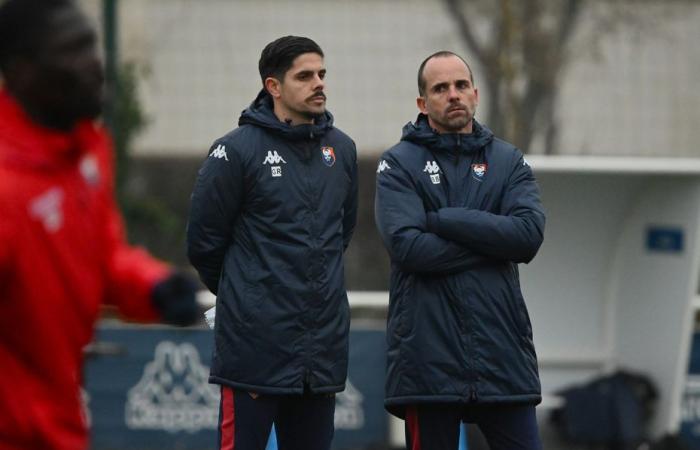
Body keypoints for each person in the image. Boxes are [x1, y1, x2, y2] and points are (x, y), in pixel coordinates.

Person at [0, 0, 200, 449]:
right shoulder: (6, 186)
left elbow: (101, 256)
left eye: (91, 44)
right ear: (22, 72)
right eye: (72, 50)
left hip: (59, 425)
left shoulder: (86, 154)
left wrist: (151, 286)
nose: (95, 63)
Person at [187, 36, 358, 450]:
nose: (319, 84)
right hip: (253, 352)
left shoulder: (343, 150)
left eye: (322, 74)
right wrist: (249, 298)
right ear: (274, 87)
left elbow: (340, 236)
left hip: (320, 356)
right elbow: (203, 243)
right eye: (305, 76)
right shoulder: (234, 151)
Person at [374, 51, 546, 450]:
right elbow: (409, 247)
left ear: (476, 93)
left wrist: (443, 219)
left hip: (502, 355)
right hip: (427, 360)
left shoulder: (508, 160)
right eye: (440, 88)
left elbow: (528, 237)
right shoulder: (398, 163)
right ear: (422, 103)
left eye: (460, 85)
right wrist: (492, 243)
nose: (453, 95)